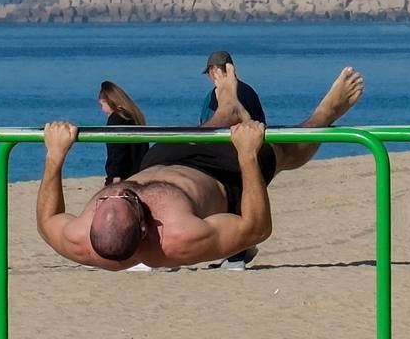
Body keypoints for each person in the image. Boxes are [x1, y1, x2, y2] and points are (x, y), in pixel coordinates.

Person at [36, 66, 365, 271]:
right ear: (144, 230)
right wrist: (248, 156)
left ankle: (226, 109)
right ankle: (325, 115)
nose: (121, 192)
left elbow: (47, 221)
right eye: (131, 200)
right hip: (222, 176)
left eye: (111, 197)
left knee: (209, 127)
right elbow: (256, 228)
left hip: (161, 161)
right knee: (281, 152)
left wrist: (55, 156)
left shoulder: (81, 234)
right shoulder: (178, 238)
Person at [198, 50, 266, 269]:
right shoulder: (249, 91)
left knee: (231, 206)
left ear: (217, 70)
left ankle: (237, 256)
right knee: (241, 205)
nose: (209, 76)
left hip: (228, 156)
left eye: (210, 71)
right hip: (250, 153)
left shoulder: (217, 95)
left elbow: (209, 126)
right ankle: (239, 252)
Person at [199, 50, 266, 127]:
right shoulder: (249, 92)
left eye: (208, 72)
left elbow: (204, 122)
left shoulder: (211, 96)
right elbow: (261, 120)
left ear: (214, 70)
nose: (208, 76)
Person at [98, 81, 148, 184]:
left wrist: (116, 176)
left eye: (101, 104)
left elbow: (117, 150)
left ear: (108, 101)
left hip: (124, 175)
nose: (101, 109)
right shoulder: (134, 116)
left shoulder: (116, 119)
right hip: (139, 172)